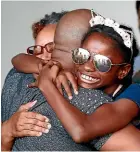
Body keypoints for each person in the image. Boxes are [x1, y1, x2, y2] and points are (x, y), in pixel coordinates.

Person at [11, 9, 140, 150]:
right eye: (82, 55)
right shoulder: (79, 78)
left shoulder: (134, 95)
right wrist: (45, 69)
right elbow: (17, 59)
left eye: (102, 62)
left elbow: (81, 132)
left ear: (123, 71)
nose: (88, 67)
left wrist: (47, 85)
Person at [1, 11, 68, 151]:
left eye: (52, 47)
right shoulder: (17, 79)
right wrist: (7, 130)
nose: (44, 56)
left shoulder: (89, 88)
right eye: (37, 50)